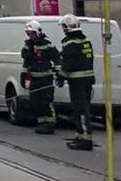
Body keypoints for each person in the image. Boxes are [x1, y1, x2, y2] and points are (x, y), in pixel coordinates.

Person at [59, 14, 95, 150]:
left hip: (77, 81)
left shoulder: (70, 43)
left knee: (80, 109)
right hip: (87, 80)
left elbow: (68, 63)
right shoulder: (85, 40)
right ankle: (80, 135)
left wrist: (61, 77)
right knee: (81, 108)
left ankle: (85, 139)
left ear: (66, 27)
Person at [22, 19, 60, 135]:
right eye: (28, 34)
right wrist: (23, 74)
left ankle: (50, 124)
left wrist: (59, 73)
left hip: (45, 79)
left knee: (46, 102)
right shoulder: (28, 46)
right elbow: (26, 62)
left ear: (37, 32)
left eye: (31, 33)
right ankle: (42, 123)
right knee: (34, 102)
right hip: (34, 79)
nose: (30, 36)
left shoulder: (47, 45)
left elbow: (57, 59)